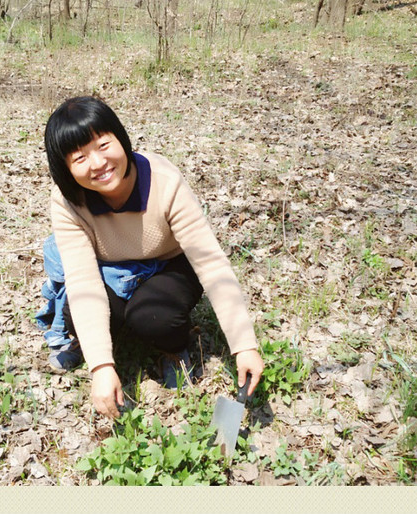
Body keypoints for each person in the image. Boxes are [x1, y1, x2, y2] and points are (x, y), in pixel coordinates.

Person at [41, 96, 265, 419]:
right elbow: (82, 280)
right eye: (79, 157)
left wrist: (244, 345)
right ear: (65, 169)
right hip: (111, 269)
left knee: (153, 317)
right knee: (79, 317)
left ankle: (173, 350)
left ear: (120, 137)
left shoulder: (163, 180)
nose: (98, 163)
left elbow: (210, 263)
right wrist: (101, 367)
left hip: (169, 263)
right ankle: (105, 344)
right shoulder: (68, 202)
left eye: (103, 145)